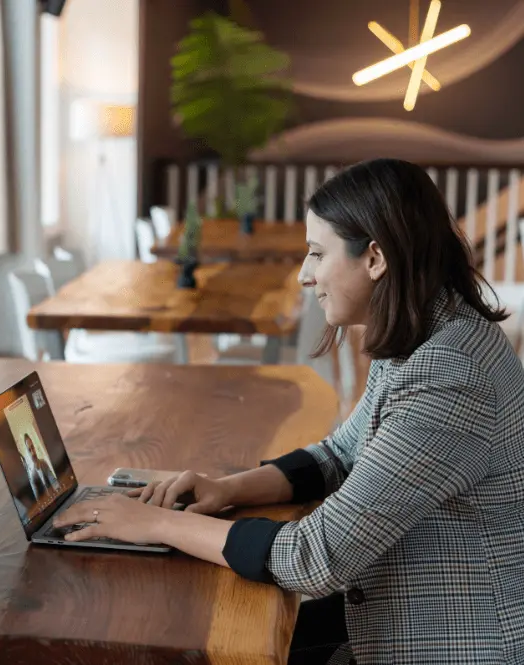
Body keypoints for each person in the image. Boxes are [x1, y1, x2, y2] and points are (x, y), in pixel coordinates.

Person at [53, 158, 524, 665]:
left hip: (453, 641)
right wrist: (226, 488)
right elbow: (342, 454)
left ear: (375, 258)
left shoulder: (451, 373)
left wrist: (155, 526)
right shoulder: (427, 330)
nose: (304, 275)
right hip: (398, 609)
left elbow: (317, 557)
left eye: (317, 254)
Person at [21, 433, 59, 500]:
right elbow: (37, 499)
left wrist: (58, 489)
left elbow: (53, 481)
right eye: (29, 450)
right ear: (27, 453)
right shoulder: (32, 477)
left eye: (32, 447)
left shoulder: (43, 463)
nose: (33, 453)